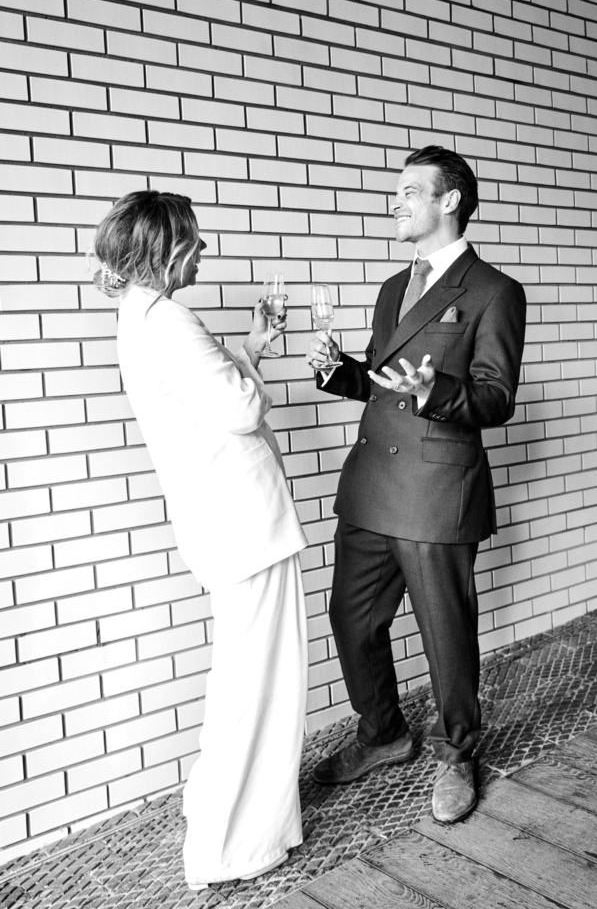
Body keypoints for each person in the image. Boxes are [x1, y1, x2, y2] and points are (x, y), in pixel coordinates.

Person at [93, 191, 308, 889]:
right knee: (259, 682)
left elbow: (204, 396)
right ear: (167, 249)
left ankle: (230, 818)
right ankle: (232, 845)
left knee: (245, 676)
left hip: (222, 523)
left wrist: (246, 350)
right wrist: (250, 374)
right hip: (244, 524)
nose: (205, 250)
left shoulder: (141, 316)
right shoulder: (171, 320)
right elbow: (240, 409)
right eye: (195, 239)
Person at [307, 146, 526, 823]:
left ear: (449, 200)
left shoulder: (494, 291)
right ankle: (383, 734)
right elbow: (383, 378)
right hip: (372, 484)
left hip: (436, 492)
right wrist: (339, 371)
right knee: (352, 618)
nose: (395, 202)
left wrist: (437, 391)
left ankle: (457, 753)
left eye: (409, 191)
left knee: (445, 634)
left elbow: (495, 399)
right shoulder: (391, 288)